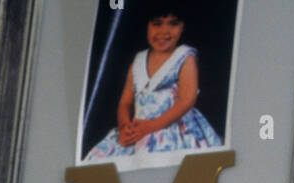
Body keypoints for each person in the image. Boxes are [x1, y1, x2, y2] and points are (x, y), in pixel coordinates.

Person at [84, 11, 221, 166]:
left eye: (173, 23)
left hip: (172, 128)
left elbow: (187, 100)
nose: (164, 31)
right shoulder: (138, 61)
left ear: (183, 26)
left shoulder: (184, 57)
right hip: (139, 128)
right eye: (157, 24)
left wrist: (151, 126)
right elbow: (125, 103)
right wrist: (124, 127)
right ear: (146, 25)